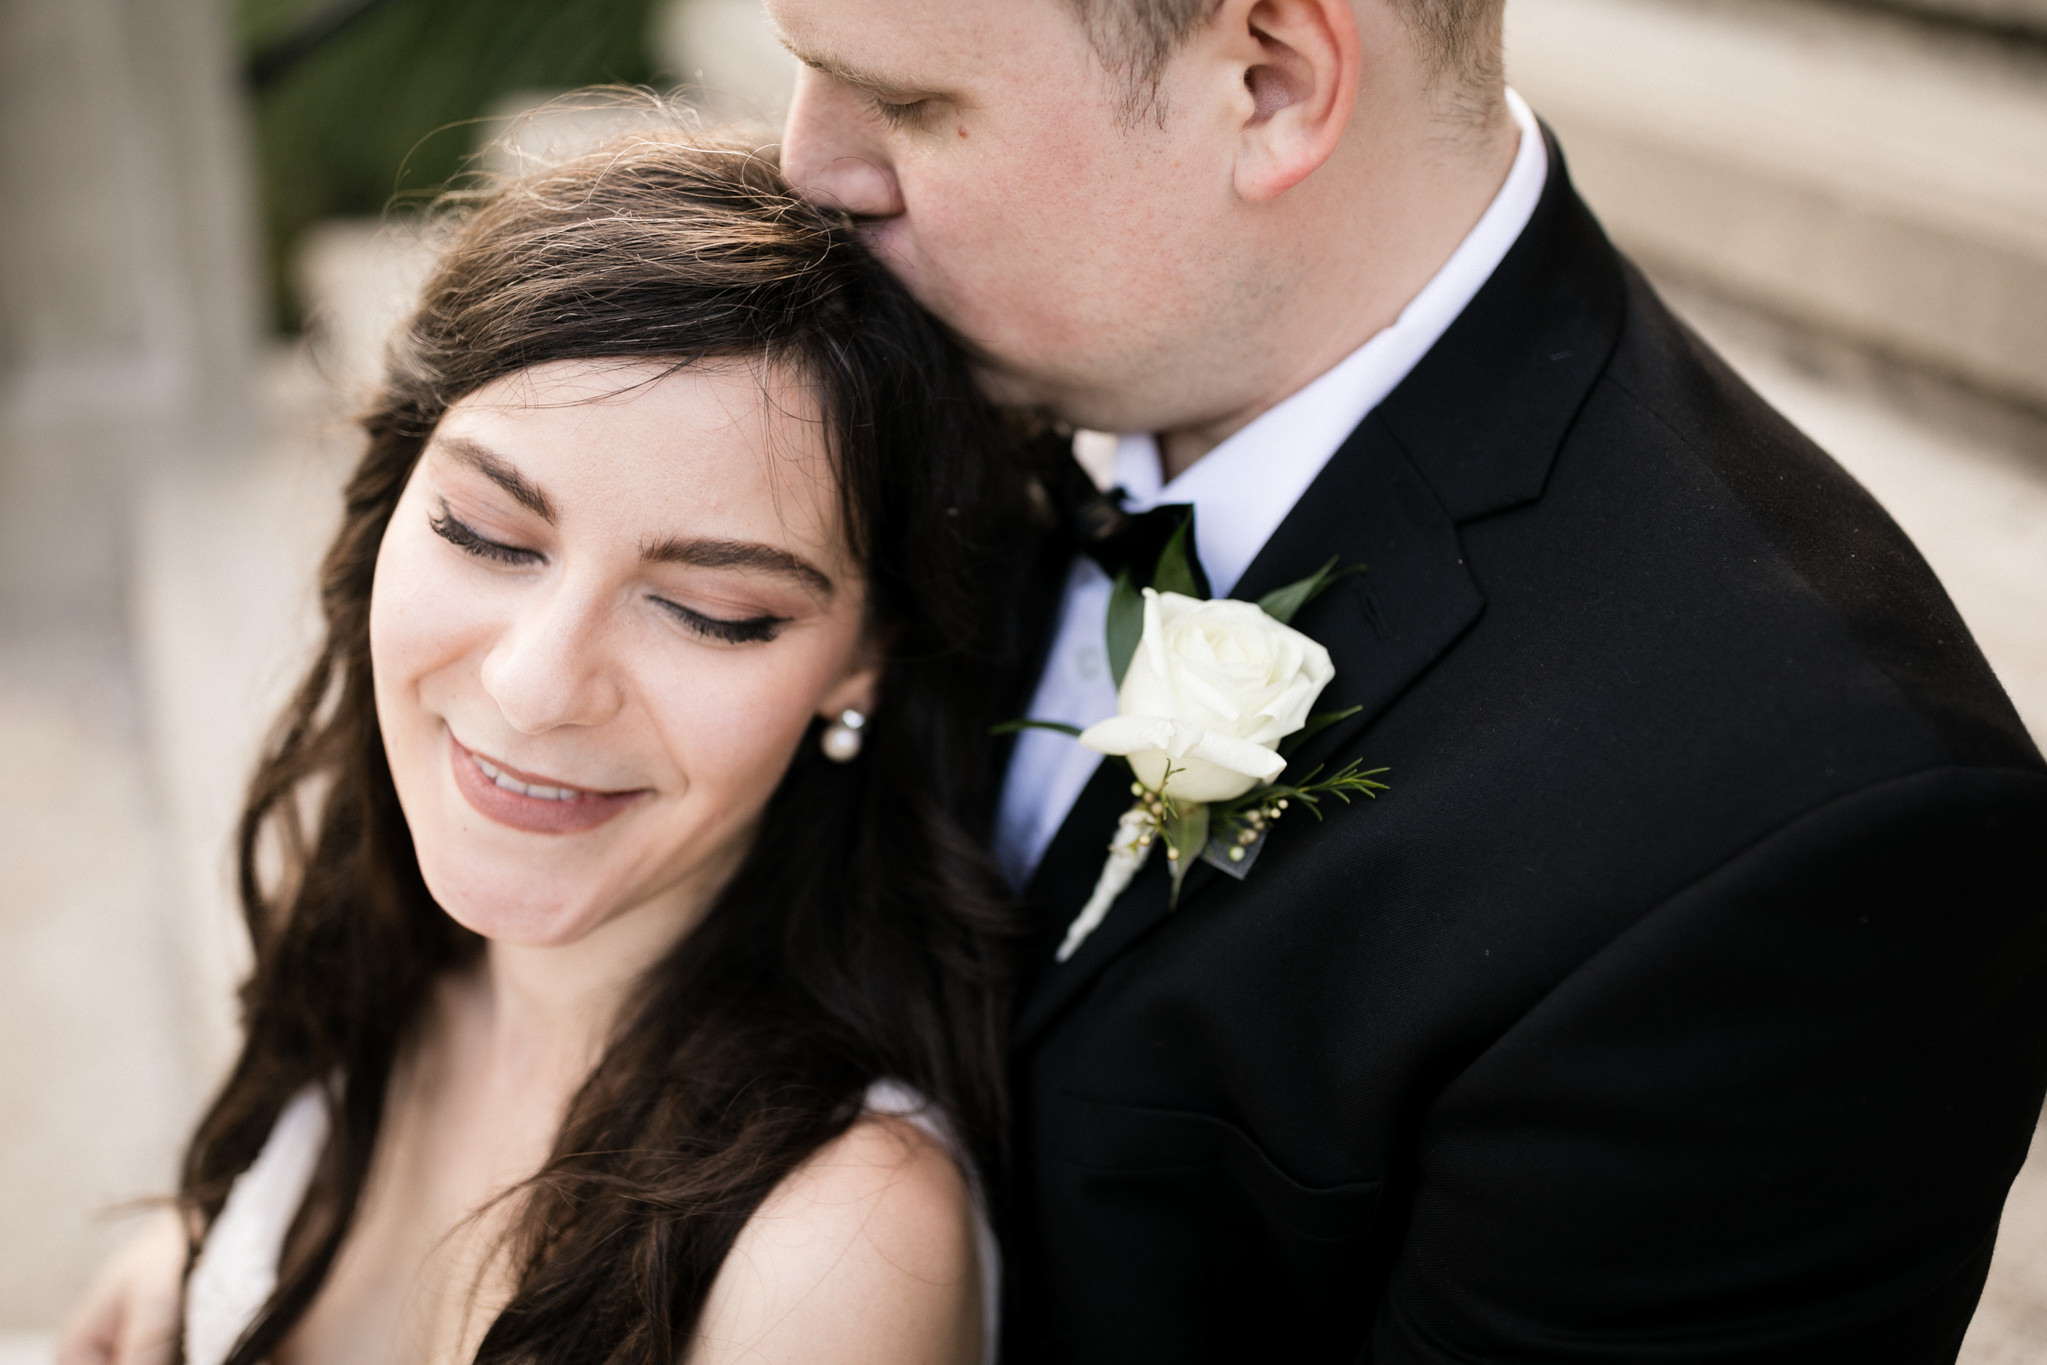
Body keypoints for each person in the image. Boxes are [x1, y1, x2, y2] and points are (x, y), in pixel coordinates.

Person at [762, 0, 2047, 1360]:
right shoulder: (862, 396)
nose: (807, 166)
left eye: (901, 104)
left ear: (1266, 82)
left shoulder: (1795, 833)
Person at [61, 127, 1033, 1364]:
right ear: (394, 495)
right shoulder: (389, 954)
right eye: (484, 532)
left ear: (862, 660)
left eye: (711, 611)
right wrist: (207, 1264)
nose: (536, 685)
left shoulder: (831, 1252)